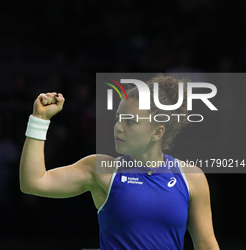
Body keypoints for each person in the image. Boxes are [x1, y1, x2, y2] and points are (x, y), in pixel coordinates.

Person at [19, 76, 220, 250]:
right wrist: (40, 119)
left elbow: (206, 244)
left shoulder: (190, 177)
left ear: (157, 132)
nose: (118, 128)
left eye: (130, 121)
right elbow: (33, 182)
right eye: (118, 119)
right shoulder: (101, 170)